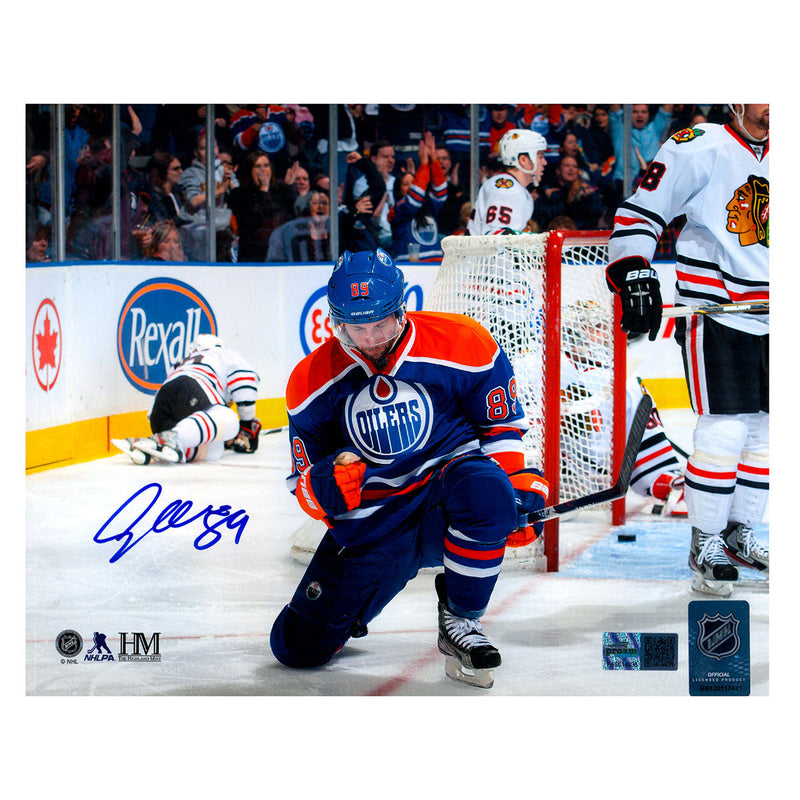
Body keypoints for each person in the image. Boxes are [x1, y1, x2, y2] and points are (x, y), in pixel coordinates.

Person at [269, 248, 550, 688]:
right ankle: (356, 606)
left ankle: (461, 619)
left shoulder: (464, 342)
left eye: (381, 323)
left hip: (449, 487)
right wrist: (327, 486)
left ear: (402, 309)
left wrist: (515, 483)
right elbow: (301, 485)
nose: (372, 338)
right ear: (337, 324)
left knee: (488, 495)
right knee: (297, 647)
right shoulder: (312, 381)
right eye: (358, 328)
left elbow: (500, 425)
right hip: (376, 521)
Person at [605, 104, 769, 596]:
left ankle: (741, 534)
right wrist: (634, 269)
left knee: (763, 435)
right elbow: (641, 211)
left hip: (778, 315)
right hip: (718, 313)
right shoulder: (697, 144)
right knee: (724, 430)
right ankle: (706, 540)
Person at [111, 334, 260, 465]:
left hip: (160, 407)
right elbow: (245, 381)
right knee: (229, 420)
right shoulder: (223, 353)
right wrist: (246, 424)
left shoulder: (183, 361)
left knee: (214, 450)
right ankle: (174, 438)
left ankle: (153, 447)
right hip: (193, 385)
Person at [467, 128, 547, 235]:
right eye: (540, 157)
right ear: (523, 160)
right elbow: (496, 238)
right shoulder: (505, 190)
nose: (545, 162)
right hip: (481, 252)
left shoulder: (515, 188)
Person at [176, 130, 238, 261]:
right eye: (204, 148)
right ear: (196, 152)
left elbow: (240, 198)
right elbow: (193, 201)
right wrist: (220, 191)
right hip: (198, 233)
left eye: (213, 147)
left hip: (223, 232)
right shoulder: (190, 173)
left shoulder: (225, 171)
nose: (210, 151)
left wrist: (230, 183)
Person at [388, 132, 448, 262]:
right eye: (406, 184)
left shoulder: (428, 206)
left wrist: (433, 160)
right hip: (408, 269)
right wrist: (424, 164)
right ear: (398, 190)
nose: (411, 186)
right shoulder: (398, 209)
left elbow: (441, 192)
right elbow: (414, 200)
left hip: (435, 267)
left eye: (413, 182)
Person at [228, 150, 293, 262]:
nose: (263, 170)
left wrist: (291, 187)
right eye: (257, 166)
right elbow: (256, 220)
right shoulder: (239, 194)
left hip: (278, 256)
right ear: (249, 170)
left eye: (266, 165)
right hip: (251, 256)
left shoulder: (279, 192)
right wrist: (263, 190)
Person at [533, 154, 604, 230]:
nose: (571, 169)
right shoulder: (547, 190)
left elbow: (597, 212)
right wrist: (568, 201)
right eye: (567, 166)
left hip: (580, 234)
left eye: (574, 166)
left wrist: (590, 196)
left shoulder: (585, 189)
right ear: (558, 170)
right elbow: (543, 215)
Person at [266, 190, 332, 262]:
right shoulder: (283, 232)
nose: (320, 206)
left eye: (324, 203)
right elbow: (275, 265)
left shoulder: (337, 230)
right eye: (315, 203)